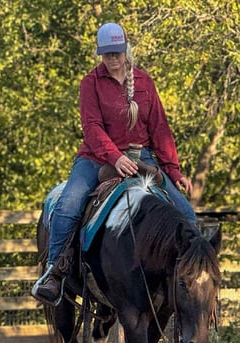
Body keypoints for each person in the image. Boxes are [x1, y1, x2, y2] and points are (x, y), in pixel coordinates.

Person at [32, 22, 197, 305]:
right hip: (95, 158)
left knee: (187, 216)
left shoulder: (144, 82)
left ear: (125, 50)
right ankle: (54, 272)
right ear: (100, 53)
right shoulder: (91, 83)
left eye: (117, 52)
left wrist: (173, 170)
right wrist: (115, 157)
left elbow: (159, 128)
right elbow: (92, 127)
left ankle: (189, 285)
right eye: (107, 53)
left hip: (142, 157)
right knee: (68, 206)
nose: (113, 58)